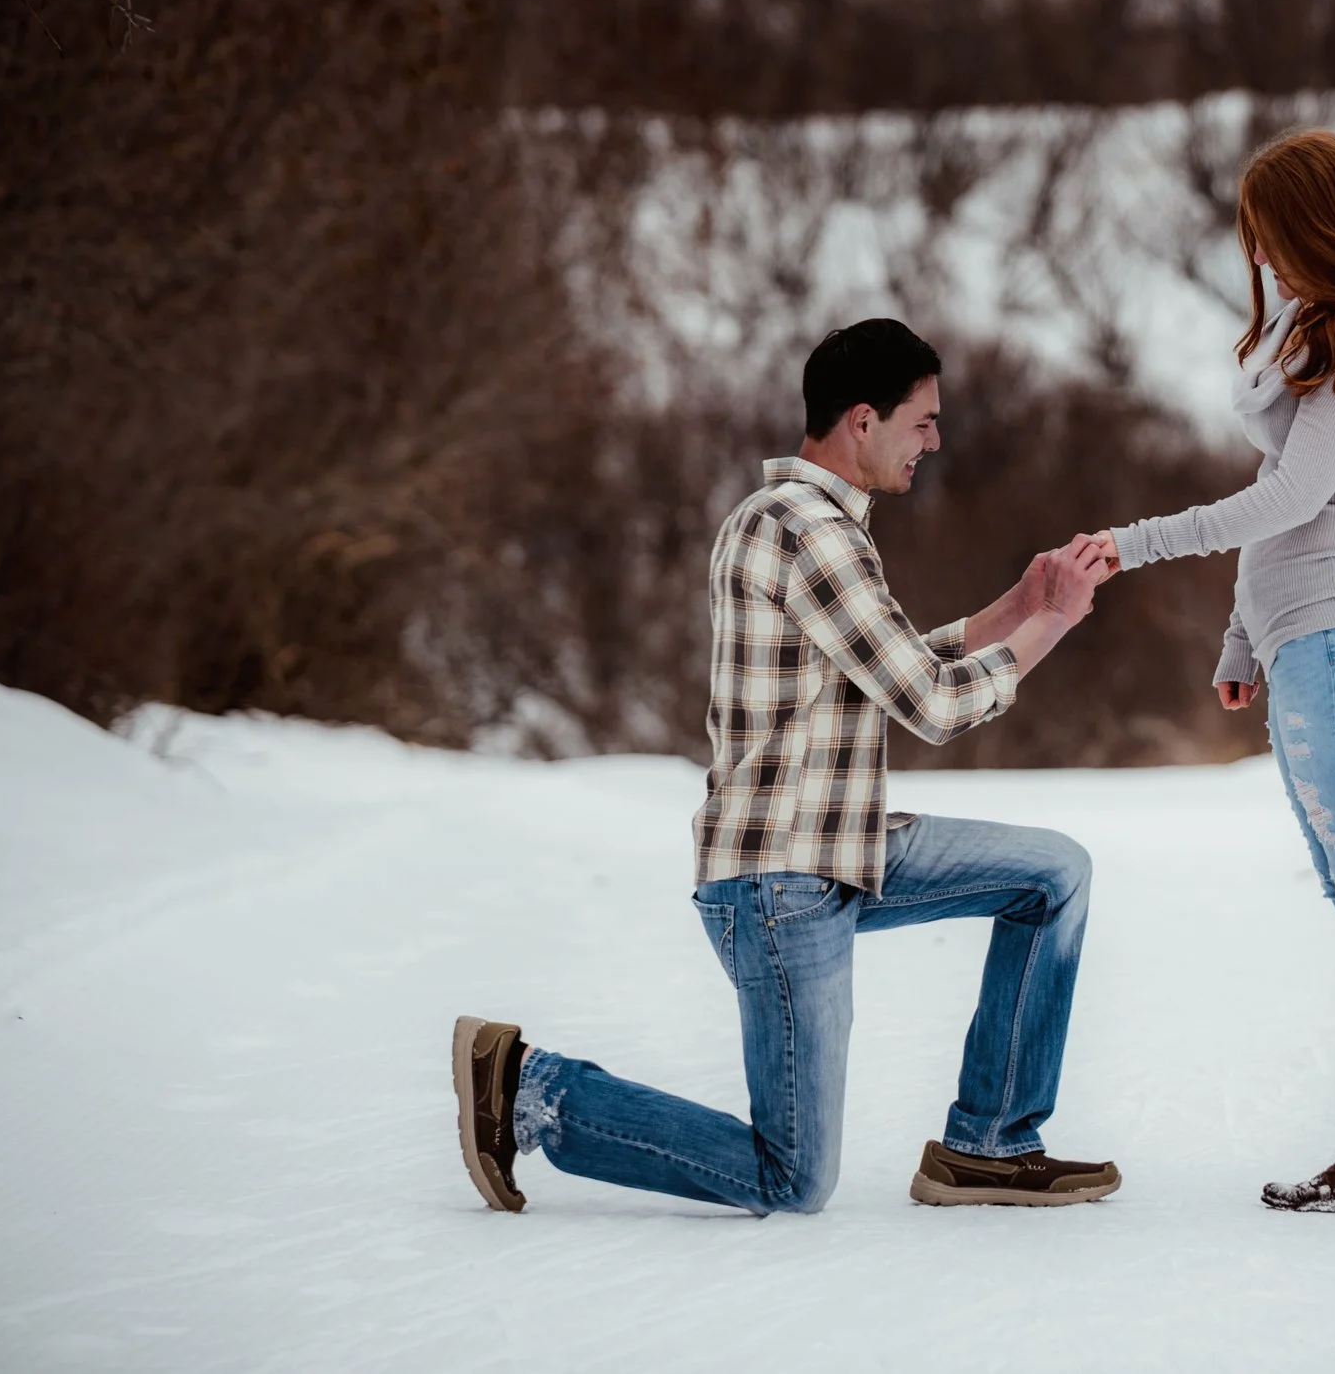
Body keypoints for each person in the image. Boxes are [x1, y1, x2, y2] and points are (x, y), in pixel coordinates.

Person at [454, 318, 1122, 1215]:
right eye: (921, 420)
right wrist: (1058, 622)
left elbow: (885, 666)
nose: (934, 440)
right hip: (781, 884)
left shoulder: (790, 520)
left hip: (841, 848)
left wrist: (1015, 606)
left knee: (1053, 874)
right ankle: (533, 1087)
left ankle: (990, 1145)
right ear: (861, 419)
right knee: (794, 1175)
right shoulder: (813, 531)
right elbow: (929, 705)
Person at [1085, 129, 1335, 1214]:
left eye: (1271, 236)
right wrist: (1239, 640)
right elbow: (1284, 502)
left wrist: (1136, 541)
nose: (1260, 257)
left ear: (1316, 225)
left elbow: (1287, 505)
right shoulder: (1327, 342)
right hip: (1315, 640)